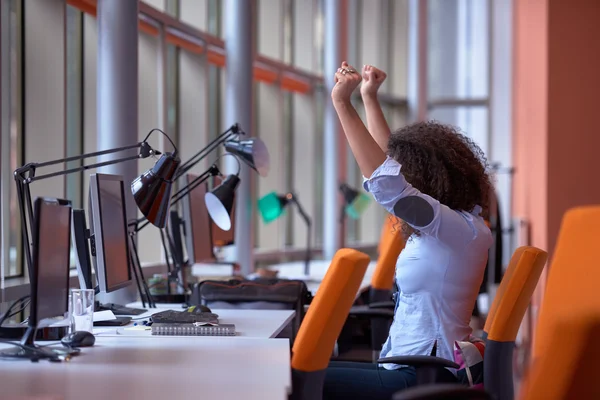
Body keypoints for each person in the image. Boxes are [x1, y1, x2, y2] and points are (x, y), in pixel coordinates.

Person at [323, 62, 493, 399]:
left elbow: (391, 185)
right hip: (405, 365)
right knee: (297, 370)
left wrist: (343, 104)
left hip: (422, 374)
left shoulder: (460, 229)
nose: (407, 178)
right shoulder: (456, 225)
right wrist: (369, 97)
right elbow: (392, 168)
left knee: (296, 377)